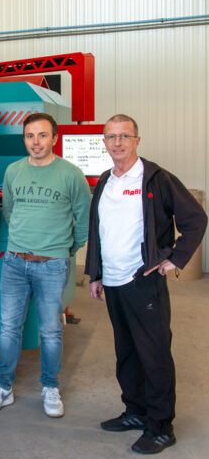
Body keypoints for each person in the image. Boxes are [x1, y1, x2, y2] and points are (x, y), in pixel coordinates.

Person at [85, 114, 206, 454]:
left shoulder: (156, 178)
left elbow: (195, 219)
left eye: (125, 136)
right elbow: (99, 232)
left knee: (154, 355)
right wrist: (94, 273)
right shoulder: (106, 181)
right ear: (104, 142)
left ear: (137, 140)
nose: (118, 143)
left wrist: (174, 259)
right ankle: (135, 411)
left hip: (143, 281)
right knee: (126, 353)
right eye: (111, 137)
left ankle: (161, 426)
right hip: (113, 281)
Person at [0, 112, 90, 418]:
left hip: (53, 266)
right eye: (30, 136)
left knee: (51, 331)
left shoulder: (71, 174)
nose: (36, 142)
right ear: (24, 139)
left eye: (42, 135)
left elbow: (84, 220)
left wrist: (64, 249)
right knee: (9, 328)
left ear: (55, 138)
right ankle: (3, 386)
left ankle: (50, 387)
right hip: (15, 262)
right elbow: (11, 212)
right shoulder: (14, 171)